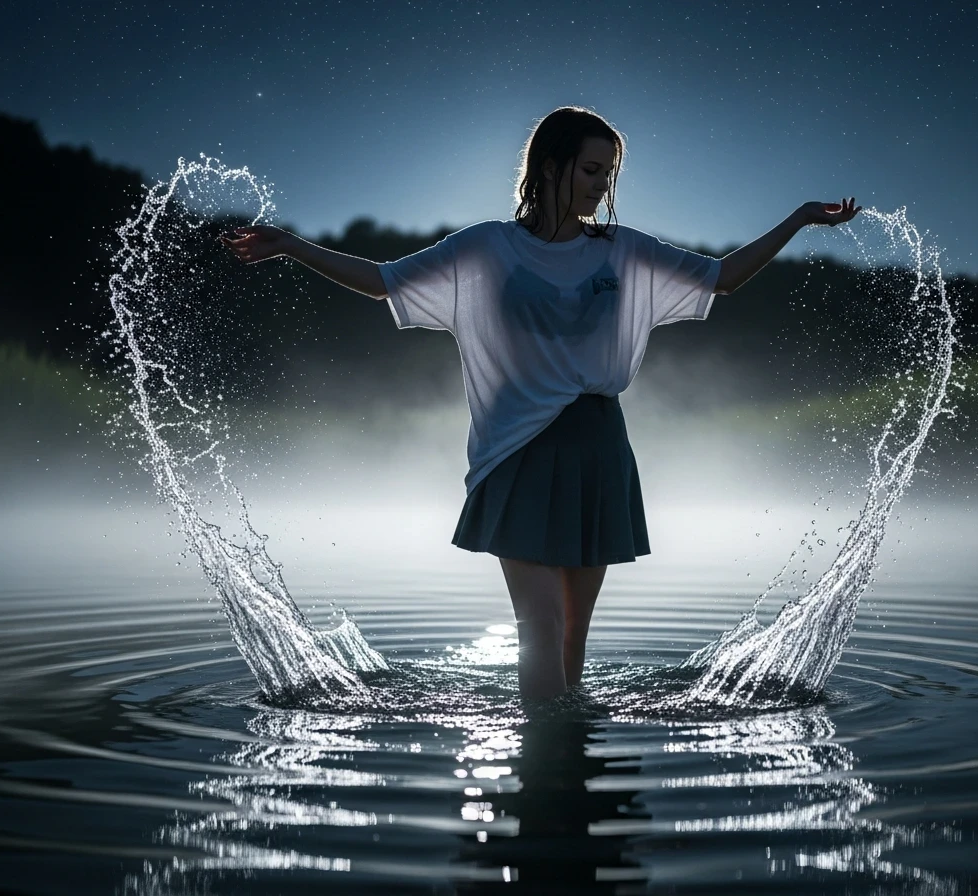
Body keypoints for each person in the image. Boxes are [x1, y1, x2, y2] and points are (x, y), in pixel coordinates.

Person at [221, 105, 860, 700]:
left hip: (598, 445)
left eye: (606, 174)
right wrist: (295, 248)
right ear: (549, 166)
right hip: (516, 449)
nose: (598, 186)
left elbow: (723, 278)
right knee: (542, 624)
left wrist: (800, 218)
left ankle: (564, 782)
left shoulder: (623, 249)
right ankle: (543, 778)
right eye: (588, 170)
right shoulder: (486, 247)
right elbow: (384, 282)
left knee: (573, 636)